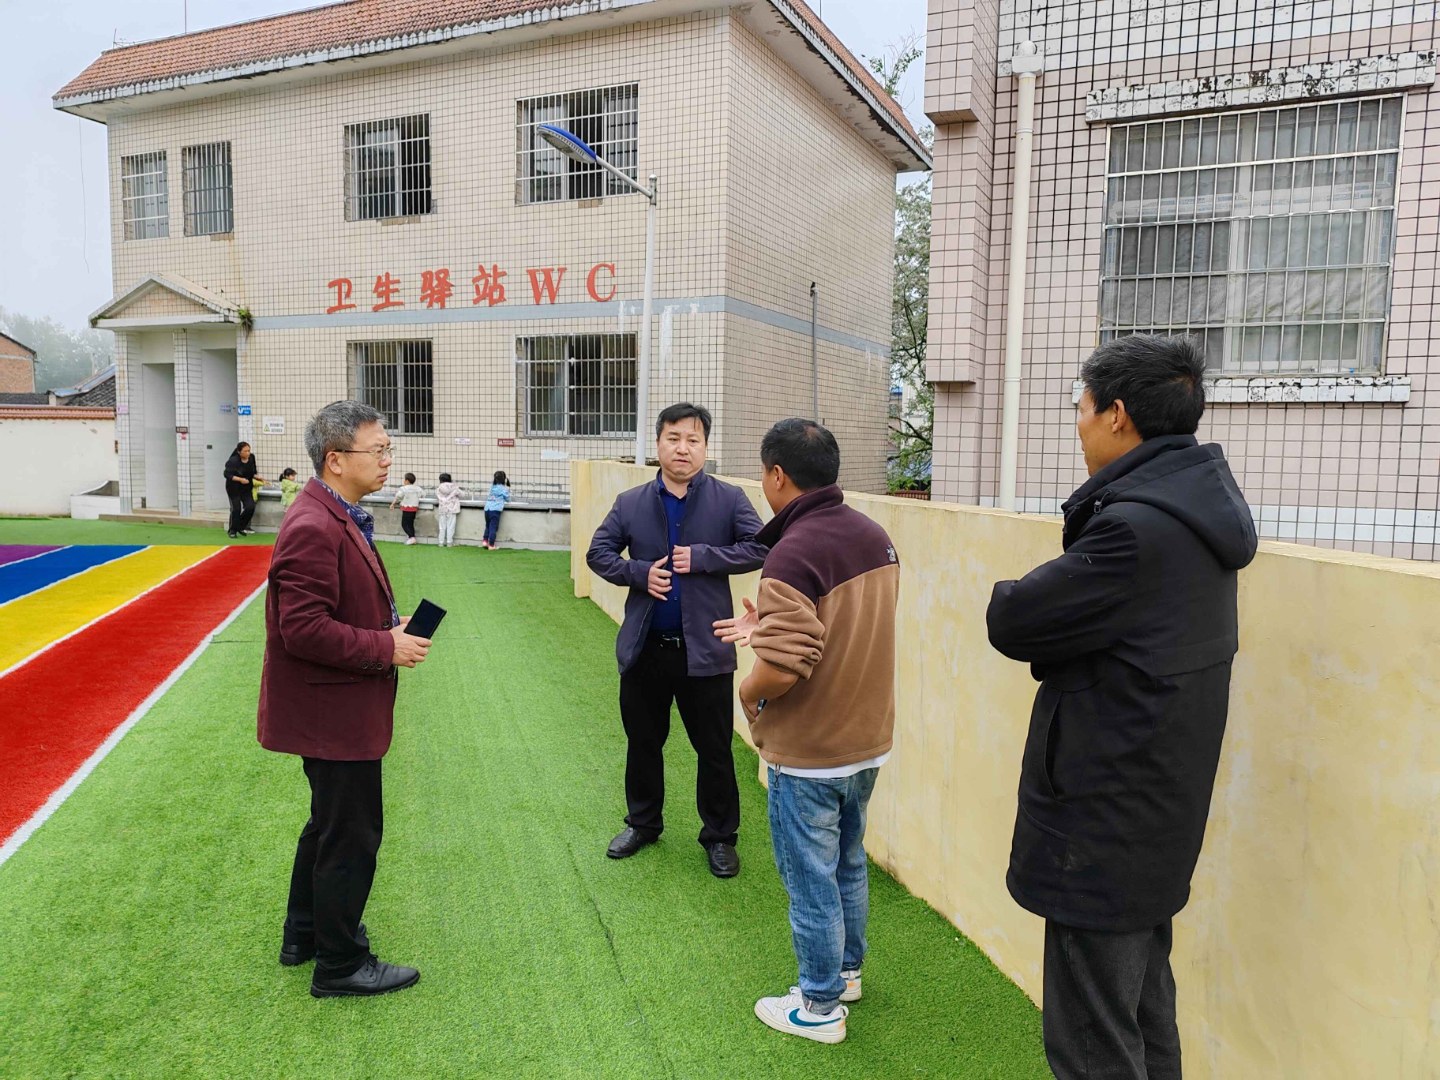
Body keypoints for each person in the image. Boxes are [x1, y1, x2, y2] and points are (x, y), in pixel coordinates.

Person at [986, 335, 1258, 1080]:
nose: (1077, 424)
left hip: (1103, 826)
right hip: (1157, 811)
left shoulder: (1133, 530)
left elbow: (1013, 618)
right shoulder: (1196, 516)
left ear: (1117, 415)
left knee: (1094, 1042)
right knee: (1142, 1009)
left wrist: (1054, 635)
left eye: (1081, 407)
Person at [713, 419, 899, 1046]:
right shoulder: (874, 536)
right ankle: (845, 975)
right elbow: (839, 627)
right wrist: (764, 629)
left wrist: (748, 692)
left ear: (777, 475)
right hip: (865, 741)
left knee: (810, 879)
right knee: (847, 862)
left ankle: (819, 1006)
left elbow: (786, 668)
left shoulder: (792, 552)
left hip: (811, 751)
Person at [257, 400, 434, 998]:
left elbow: (333, 609)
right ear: (335, 459)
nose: (387, 460)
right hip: (331, 713)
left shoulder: (336, 513)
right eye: (377, 450)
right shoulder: (313, 523)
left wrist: (388, 625)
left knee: (328, 826)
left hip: (332, 708)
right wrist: (385, 646)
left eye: (387, 449)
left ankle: (305, 935)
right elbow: (303, 629)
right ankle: (339, 964)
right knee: (350, 836)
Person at [586, 403, 768, 877]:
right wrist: (639, 572)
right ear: (658, 443)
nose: (682, 448)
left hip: (706, 650)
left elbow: (760, 547)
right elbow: (598, 553)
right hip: (646, 648)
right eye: (673, 438)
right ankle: (643, 824)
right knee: (643, 742)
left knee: (714, 748)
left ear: (705, 447)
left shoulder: (729, 499)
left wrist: (704, 557)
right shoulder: (631, 502)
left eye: (692, 440)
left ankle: (720, 837)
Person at [224, 442, 267, 538]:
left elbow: (253, 472)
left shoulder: (251, 458)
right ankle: (232, 531)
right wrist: (240, 479)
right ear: (239, 452)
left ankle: (240, 526)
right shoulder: (233, 461)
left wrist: (259, 478)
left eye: (249, 450)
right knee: (236, 508)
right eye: (245, 451)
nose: (248, 453)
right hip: (233, 488)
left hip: (246, 487)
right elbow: (227, 474)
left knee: (250, 506)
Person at [390, 473, 425, 546]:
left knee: (404, 524)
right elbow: (423, 495)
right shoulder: (417, 488)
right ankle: (411, 537)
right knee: (410, 524)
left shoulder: (404, 488)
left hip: (406, 508)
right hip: (414, 508)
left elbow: (398, 497)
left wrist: (393, 504)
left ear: (407, 481)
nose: (404, 481)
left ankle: (411, 537)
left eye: (404, 479)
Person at [482, 471, 511, 551]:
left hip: (487, 508)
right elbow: (508, 499)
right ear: (503, 479)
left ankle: (485, 541)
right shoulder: (503, 489)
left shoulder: (492, 487)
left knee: (488, 525)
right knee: (493, 527)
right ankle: (491, 545)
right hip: (495, 510)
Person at [435, 473, 465, 548]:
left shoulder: (438, 489)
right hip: (452, 509)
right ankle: (449, 542)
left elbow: (437, 496)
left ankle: (441, 542)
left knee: (442, 527)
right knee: (451, 526)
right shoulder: (454, 487)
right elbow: (462, 495)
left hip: (442, 509)